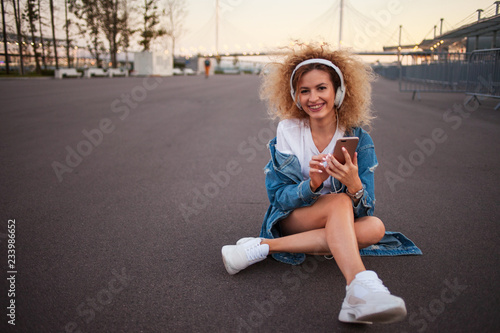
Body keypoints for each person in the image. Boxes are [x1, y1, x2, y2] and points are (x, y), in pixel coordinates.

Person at [221, 43, 407, 325]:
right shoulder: (288, 131)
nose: (313, 97)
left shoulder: (358, 138)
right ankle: (359, 284)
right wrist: (312, 185)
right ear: (295, 96)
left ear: (339, 92)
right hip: (295, 217)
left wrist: (354, 183)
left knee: (375, 227)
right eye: (304, 91)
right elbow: (278, 199)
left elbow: (365, 209)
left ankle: (262, 246)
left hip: (338, 220)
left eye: (322, 88)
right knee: (340, 201)